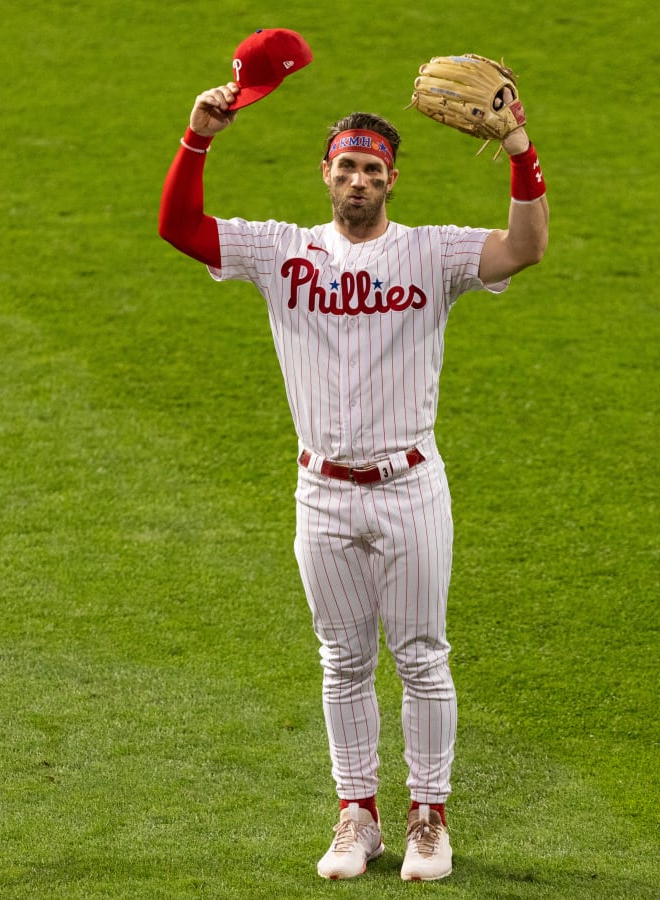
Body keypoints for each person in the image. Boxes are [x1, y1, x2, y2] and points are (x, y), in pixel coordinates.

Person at [158, 77, 548, 882]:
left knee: (420, 657)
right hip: (322, 493)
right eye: (346, 168)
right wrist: (198, 137)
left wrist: (518, 149)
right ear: (326, 174)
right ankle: (357, 817)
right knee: (341, 660)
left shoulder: (432, 251)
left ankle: (429, 819)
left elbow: (525, 249)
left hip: (409, 487)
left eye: (373, 170)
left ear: (393, 178)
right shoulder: (280, 250)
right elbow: (180, 229)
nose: (358, 181)